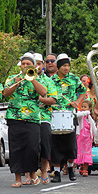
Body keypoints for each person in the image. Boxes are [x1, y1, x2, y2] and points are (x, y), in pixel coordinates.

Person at [3, 53, 47, 187]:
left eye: (28, 64)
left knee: (32, 148)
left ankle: (32, 173)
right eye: (23, 64)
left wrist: (32, 79)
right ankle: (17, 179)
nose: (25, 66)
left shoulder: (38, 78)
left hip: (32, 119)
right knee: (16, 149)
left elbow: (44, 92)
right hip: (14, 117)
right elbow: (5, 93)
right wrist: (16, 84)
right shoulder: (12, 78)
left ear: (33, 65)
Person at [50, 53, 86, 182]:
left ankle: (70, 168)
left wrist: (77, 102)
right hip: (55, 114)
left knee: (70, 145)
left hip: (70, 114)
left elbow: (83, 91)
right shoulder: (51, 80)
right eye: (64, 66)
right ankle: (57, 172)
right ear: (58, 67)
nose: (66, 68)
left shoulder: (74, 79)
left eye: (68, 66)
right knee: (56, 145)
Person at [34, 53, 58, 184]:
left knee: (44, 145)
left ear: (42, 65)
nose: (37, 66)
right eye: (34, 63)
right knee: (30, 146)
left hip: (44, 117)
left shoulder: (48, 81)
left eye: (39, 63)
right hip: (28, 118)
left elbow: (53, 99)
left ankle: (43, 171)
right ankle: (29, 173)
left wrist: (40, 99)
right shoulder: (23, 79)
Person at [75, 100, 96, 176]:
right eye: (82, 107)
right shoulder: (80, 116)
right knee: (78, 152)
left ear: (90, 108)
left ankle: (85, 169)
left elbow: (93, 128)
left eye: (85, 107)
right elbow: (77, 115)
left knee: (86, 153)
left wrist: (95, 138)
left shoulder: (90, 118)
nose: (83, 108)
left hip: (87, 139)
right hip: (80, 137)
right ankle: (79, 166)